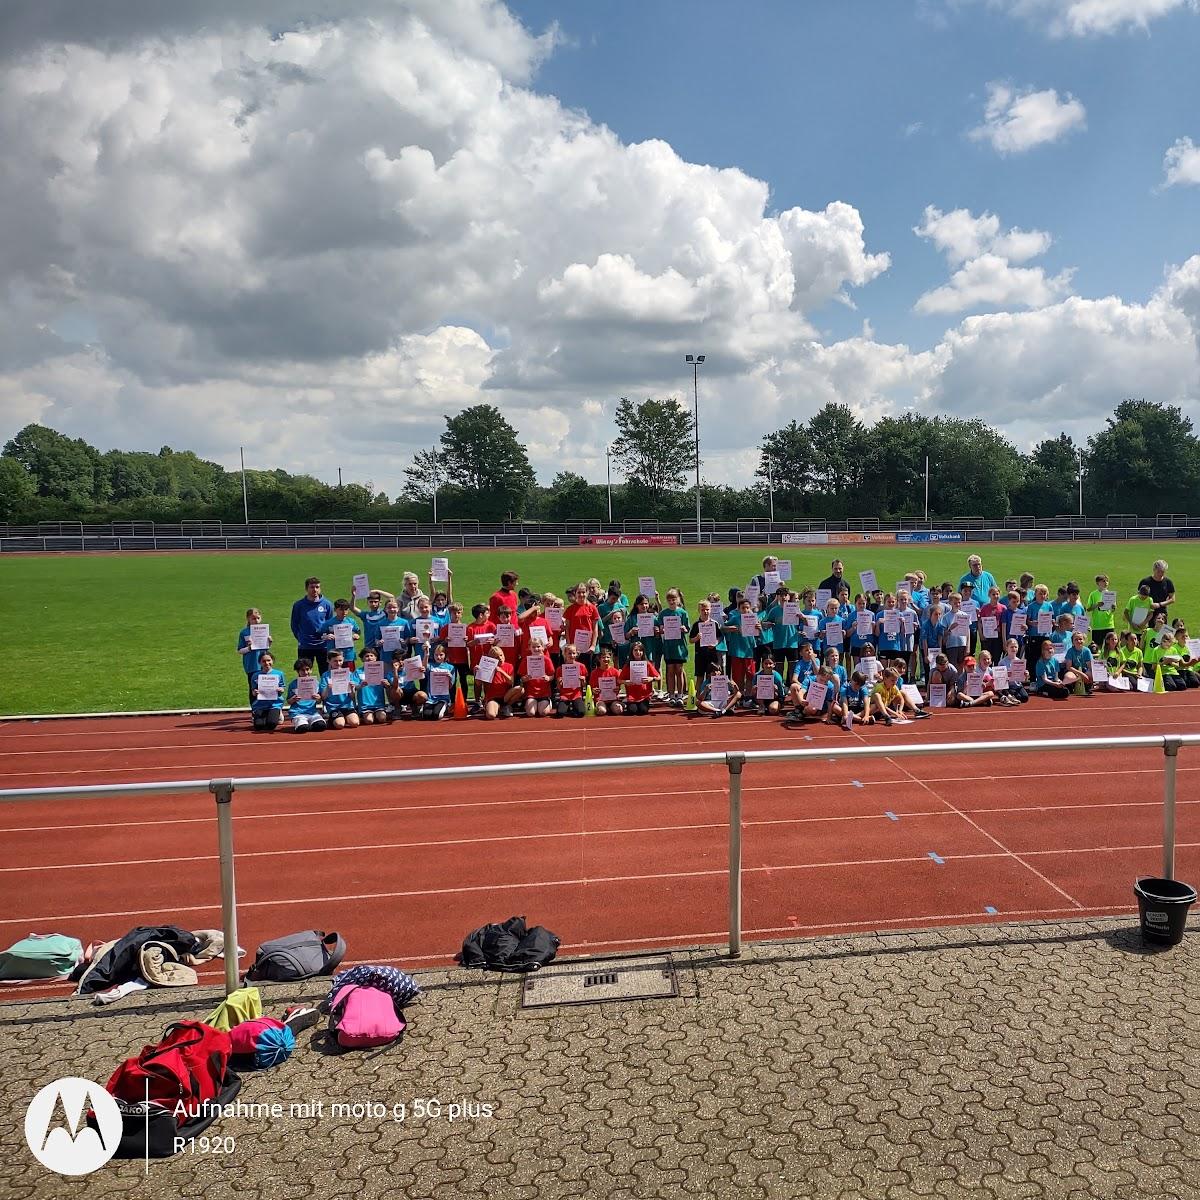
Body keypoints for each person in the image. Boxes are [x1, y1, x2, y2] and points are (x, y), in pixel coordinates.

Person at [290, 576, 334, 672]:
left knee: (326, 673)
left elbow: (330, 624)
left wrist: (326, 636)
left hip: (323, 646)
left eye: (317, 587)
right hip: (305, 645)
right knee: (303, 673)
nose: (315, 590)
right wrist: (301, 637)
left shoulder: (327, 604)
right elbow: (294, 624)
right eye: (312, 587)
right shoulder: (299, 605)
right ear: (306, 589)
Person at [658, 588, 691, 707]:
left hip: (680, 647)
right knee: (670, 671)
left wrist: (684, 629)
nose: (672, 601)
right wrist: (662, 629)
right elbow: (660, 628)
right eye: (669, 599)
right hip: (668, 646)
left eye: (674, 599)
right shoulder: (663, 613)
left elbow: (688, 628)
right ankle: (671, 695)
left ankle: (680, 695)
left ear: (678, 599)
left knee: (679, 670)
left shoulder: (682, 613)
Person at [564, 582, 601, 674]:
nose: (581, 594)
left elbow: (595, 629)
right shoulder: (570, 609)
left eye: (583, 592)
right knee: (574, 670)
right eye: (579, 592)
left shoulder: (592, 608)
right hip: (574, 646)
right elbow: (567, 628)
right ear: (575, 593)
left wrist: (593, 645)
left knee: (587, 671)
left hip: (587, 646)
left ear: (587, 593)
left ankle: (587, 688)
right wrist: (568, 644)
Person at [348, 585, 396, 655]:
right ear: (367, 602)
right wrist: (354, 596)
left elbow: (391, 597)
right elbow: (352, 608)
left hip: (383, 646)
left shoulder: (385, 613)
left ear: (380, 602)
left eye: (376, 602)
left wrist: (377, 591)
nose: (373, 604)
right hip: (370, 648)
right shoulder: (365, 615)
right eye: (371, 602)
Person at [478, 645, 521, 720]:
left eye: (501, 655)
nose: (500, 658)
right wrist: (478, 673)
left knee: (520, 689)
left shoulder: (509, 666)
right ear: (492, 659)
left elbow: (511, 682)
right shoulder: (487, 667)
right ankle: (496, 706)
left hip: (505, 696)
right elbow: (478, 683)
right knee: (491, 715)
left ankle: (507, 705)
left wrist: (501, 671)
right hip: (493, 697)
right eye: (497, 657)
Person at [237, 607, 270, 702]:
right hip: (251, 665)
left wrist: (269, 643)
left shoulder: (264, 630)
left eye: (258, 618)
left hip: (264, 664)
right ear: (248, 619)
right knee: (254, 688)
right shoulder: (244, 632)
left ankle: (268, 709)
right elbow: (239, 650)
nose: (256, 621)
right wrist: (249, 648)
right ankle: (255, 710)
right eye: (253, 618)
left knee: (266, 687)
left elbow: (266, 649)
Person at [320, 649, 360, 728]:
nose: (338, 663)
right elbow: (323, 697)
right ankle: (332, 720)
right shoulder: (325, 676)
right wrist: (328, 688)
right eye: (335, 661)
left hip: (347, 705)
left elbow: (352, 696)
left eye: (340, 660)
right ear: (328, 661)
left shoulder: (348, 674)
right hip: (333, 707)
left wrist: (352, 688)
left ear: (343, 660)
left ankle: (343, 717)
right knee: (340, 724)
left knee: (354, 723)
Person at [620, 640, 660, 715]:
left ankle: (643, 704)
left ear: (643, 652)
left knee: (643, 711)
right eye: (635, 650)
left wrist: (651, 679)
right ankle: (626, 703)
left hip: (644, 696)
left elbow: (658, 677)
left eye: (640, 650)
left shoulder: (647, 664)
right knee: (632, 711)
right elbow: (619, 680)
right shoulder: (628, 665)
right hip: (632, 695)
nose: (638, 652)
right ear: (631, 652)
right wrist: (625, 682)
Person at [286, 658, 327, 733]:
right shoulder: (293, 684)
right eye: (302, 670)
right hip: (298, 713)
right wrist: (293, 699)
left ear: (311, 670)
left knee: (321, 726)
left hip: (312, 712)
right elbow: (288, 701)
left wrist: (318, 698)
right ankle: (301, 723)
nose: (305, 672)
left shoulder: (316, 683)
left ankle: (310, 723)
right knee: (303, 728)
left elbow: (318, 701)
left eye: (307, 669)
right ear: (298, 671)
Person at [250, 651, 285, 732]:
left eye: (269, 660)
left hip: (274, 704)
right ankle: (263, 716)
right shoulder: (255, 675)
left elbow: (282, 688)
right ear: (259, 663)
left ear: (272, 661)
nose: (267, 663)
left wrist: (280, 690)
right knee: (259, 726)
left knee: (271, 725)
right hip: (260, 704)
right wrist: (255, 692)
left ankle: (278, 713)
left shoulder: (279, 674)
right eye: (264, 661)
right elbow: (253, 692)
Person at [421, 642, 457, 719]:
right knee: (426, 716)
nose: (438, 657)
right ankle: (425, 707)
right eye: (436, 655)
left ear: (445, 655)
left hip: (443, 698)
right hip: (431, 698)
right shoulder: (430, 665)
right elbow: (423, 667)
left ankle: (446, 707)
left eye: (441, 655)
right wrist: (426, 654)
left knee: (437, 715)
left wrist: (450, 677)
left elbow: (451, 686)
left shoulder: (450, 667)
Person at [320, 598, 361, 665]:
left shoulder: (351, 621)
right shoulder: (329, 623)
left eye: (346, 609)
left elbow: (358, 631)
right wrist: (326, 636)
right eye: (341, 609)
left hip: (348, 655)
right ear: (335, 610)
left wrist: (357, 635)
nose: (344, 612)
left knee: (350, 674)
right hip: (334, 656)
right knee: (335, 674)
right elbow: (320, 634)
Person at [355, 647, 390, 724]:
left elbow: (388, 687)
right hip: (365, 705)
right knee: (369, 721)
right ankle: (362, 715)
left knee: (382, 719)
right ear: (362, 659)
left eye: (371, 656)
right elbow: (354, 687)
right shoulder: (358, 671)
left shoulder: (381, 670)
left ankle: (377, 714)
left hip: (379, 704)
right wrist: (361, 685)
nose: (369, 658)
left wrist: (386, 684)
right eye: (366, 656)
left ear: (376, 657)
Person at [521, 645, 556, 718]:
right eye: (533, 647)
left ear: (543, 648)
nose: (536, 649)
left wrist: (548, 678)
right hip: (531, 693)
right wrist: (525, 678)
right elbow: (522, 678)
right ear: (529, 648)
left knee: (543, 713)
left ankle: (548, 702)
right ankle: (531, 704)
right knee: (531, 713)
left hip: (544, 692)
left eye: (538, 646)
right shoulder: (526, 660)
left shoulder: (547, 660)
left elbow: (552, 676)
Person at [554, 643, 587, 718]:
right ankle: (568, 707)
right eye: (569, 653)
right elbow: (558, 688)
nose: (572, 655)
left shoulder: (581, 666)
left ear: (576, 654)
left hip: (576, 695)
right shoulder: (560, 669)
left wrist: (583, 680)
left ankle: (573, 707)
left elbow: (584, 685)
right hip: (565, 695)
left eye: (573, 653)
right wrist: (559, 682)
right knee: (560, 713)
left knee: (581, 712)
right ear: (564, 654)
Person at [589, 648, 624, 716]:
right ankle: (606, 708)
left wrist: (618, 689)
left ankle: (612, 707)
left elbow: (619, 686)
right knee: (601, 711)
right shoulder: (594, 673)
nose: (606, 659)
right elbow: (591, 688)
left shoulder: (615, 672)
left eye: (608, 657)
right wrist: (594, 690)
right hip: (600, 699)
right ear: (599, 659)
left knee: (619, 710)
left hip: (613, 699)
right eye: (603, 657)